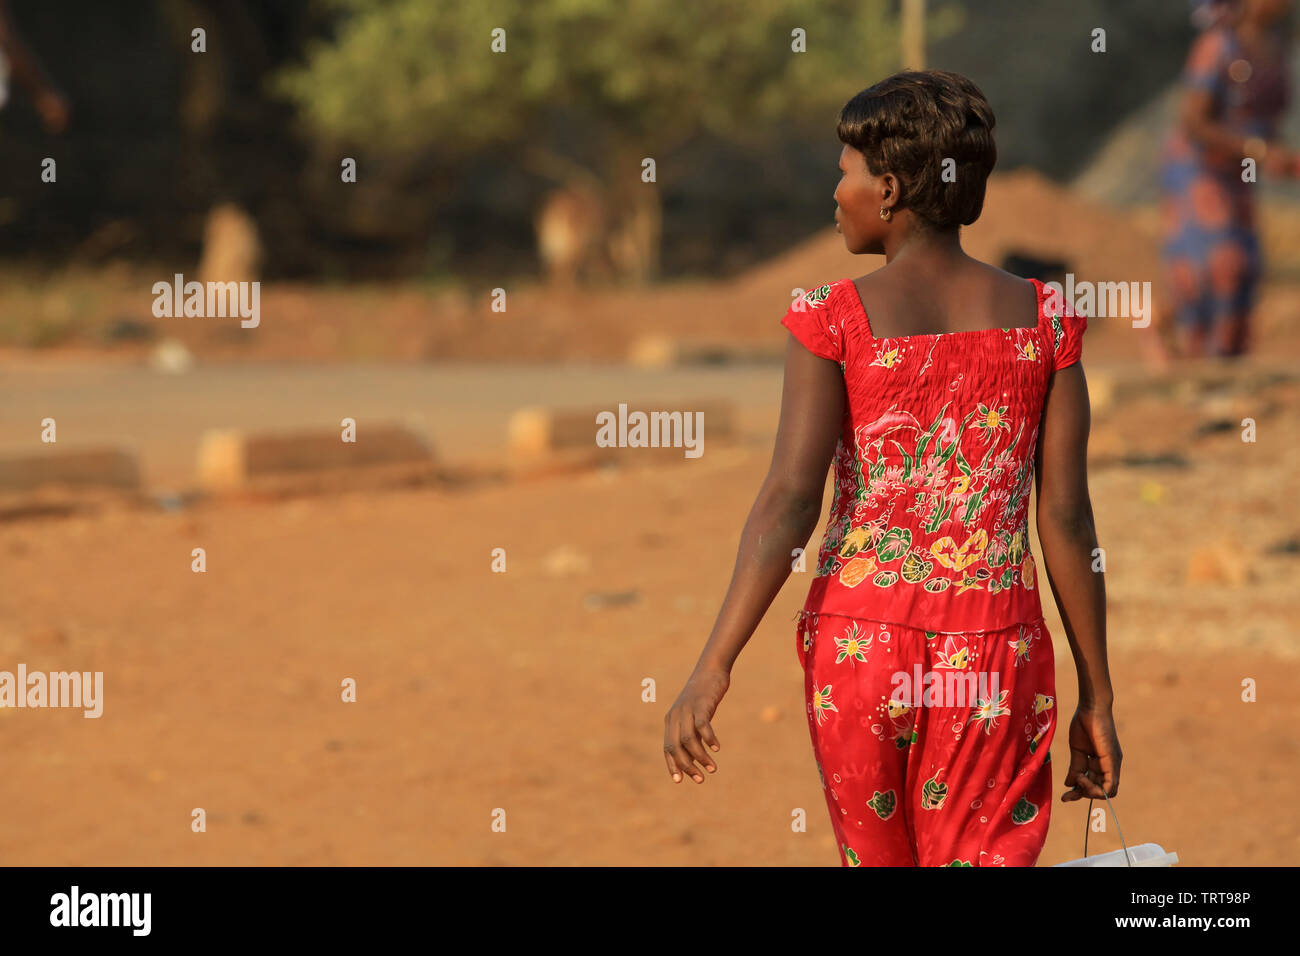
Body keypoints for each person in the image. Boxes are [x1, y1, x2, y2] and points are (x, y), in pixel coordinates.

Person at [663, 70, 1119, 867]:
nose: (834, 191)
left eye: (843, 171)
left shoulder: (832, 319)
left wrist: (713, 665)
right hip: (993, 656)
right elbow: (1067, 521)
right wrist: (1098, 696)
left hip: (861, 651)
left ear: (891, 186)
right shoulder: (1046, 321)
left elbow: (788, 502)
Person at [1160, 0, 1297, 358]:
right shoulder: (1218, 46)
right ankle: (1194, 351)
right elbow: (1194, 122)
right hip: (1199, 168)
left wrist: (1277, 157)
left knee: (1247, 267)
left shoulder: (1275, 46)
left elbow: (1265, 125)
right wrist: (1259, 151)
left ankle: (1224, 361)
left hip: (1239, 172)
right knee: (1223, 262)